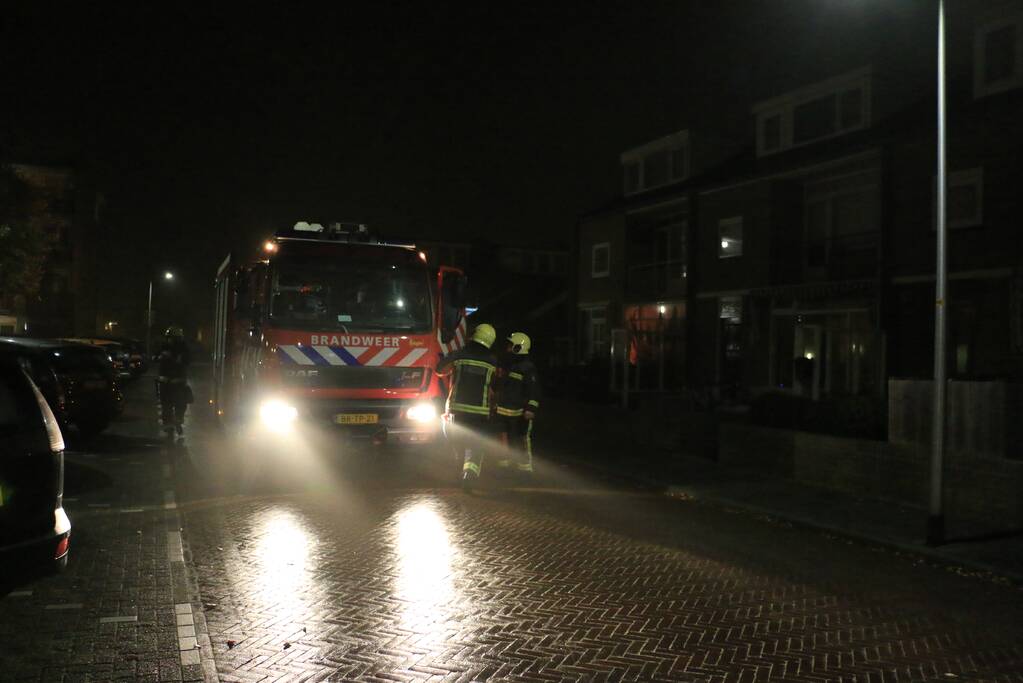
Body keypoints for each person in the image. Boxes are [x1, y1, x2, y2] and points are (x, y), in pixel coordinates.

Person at [436, 323, 498, 492]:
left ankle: (459, 472)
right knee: (476, 446)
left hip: (457, 409)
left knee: (458, 443)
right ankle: (469, 474)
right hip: (481, 411)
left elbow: (440, 370)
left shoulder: (460, 355)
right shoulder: (492, 361)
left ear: (474, 335)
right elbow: (495, 386)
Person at [494, 332, 540, 481]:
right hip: (502, 409)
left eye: (510, 345)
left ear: (518, 348)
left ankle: (525, 468)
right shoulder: (507, 365)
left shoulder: (527, 368)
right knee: (502, 438)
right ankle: (504, 467)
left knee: (522, 438)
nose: (507, 348)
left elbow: (534, 390)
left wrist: (530, 409)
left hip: (520, 412)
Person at [157, 326, 191, 440]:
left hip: (177, 382)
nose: (169, 340)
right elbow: (157, 358)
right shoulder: (164, 347)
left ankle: (177, 421)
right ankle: (171, 425)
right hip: (167, 381)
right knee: (167, 405)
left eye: (171, 338)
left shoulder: (183, 349)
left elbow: (186, 361)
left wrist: (174, 358)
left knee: (179, 404)